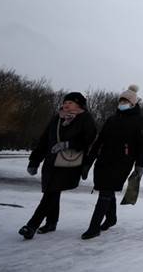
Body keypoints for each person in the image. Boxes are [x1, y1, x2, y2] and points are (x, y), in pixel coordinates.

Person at [19, 92, 97, 239]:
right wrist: (35, 160)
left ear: (79, 105)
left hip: (69, 163)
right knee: (51, 191)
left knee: (52, 192)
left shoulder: (85, 118)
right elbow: (44, 139)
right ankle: (51, 222)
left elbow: (89, 138)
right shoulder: (57, 118)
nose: (66, 104)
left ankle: (31, 226)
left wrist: (69, 144)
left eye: (71, 102)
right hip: (51, 161)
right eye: (65, 102)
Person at [81, 84, 143, 239]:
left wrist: (139, 165)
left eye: (126, 101)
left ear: (133, 104)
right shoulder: (112, 119)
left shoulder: (139, 121)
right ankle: (111, 218)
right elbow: (100, 140)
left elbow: (141, 144)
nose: (122, 103)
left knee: (106, 191)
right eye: (121, 100)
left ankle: (94, 227)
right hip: (104, 159)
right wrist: (89, 161)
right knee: (106, 189)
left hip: (123, 161)